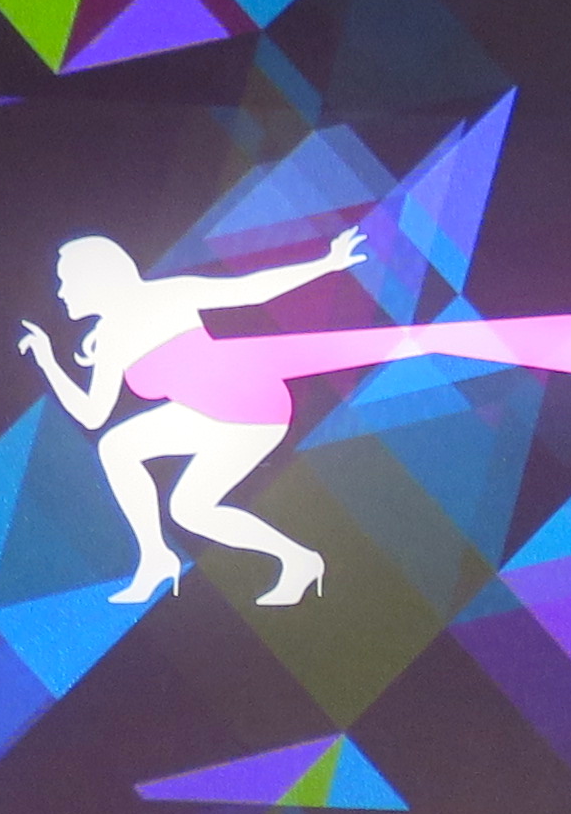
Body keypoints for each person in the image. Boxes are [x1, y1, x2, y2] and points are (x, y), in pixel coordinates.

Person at [19, 226, 372, 604]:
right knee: (145, 472)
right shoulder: (109, 338)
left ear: (96, 279)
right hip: (207, 412)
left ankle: (164, 558)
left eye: (66, 282)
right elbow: (92, 415)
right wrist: (47, 361)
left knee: (161, 484)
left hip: (252, 407)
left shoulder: (168, 294)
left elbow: (250, 290)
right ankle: (289, 560)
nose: (60, 293)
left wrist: (327, 264)